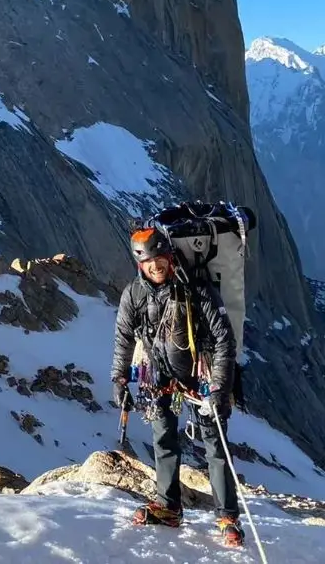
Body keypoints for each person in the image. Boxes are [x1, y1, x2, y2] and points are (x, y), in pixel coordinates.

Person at [110, 225, 245, 548]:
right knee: (164, 441)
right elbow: (124, 338)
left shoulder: (196, 289)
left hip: (202, 374)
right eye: (148, 263)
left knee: (214, 445)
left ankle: (228, 516)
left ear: (170, 257)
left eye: (160, 259)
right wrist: (118, 378)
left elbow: (224, 339)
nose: (155, 267)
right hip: (157, 375)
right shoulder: (134, 294)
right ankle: (169, 507)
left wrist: (219, 387)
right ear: (139, 265)